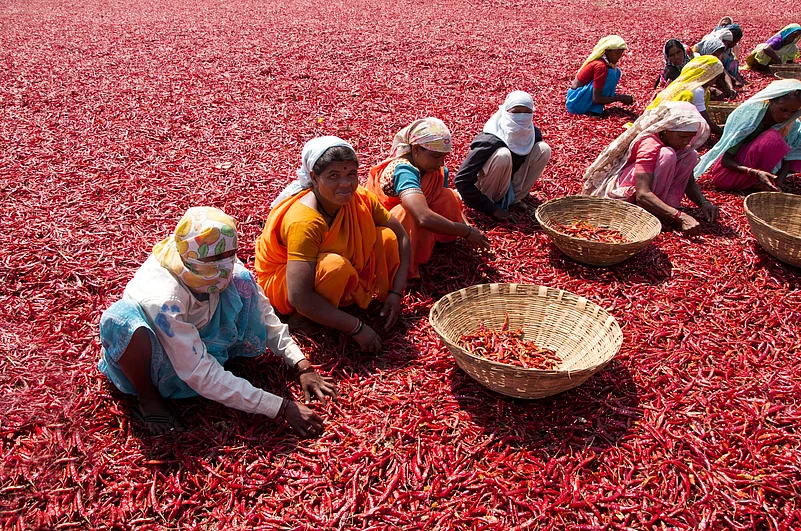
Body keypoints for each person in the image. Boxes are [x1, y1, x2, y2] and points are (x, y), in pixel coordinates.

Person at [98, 207, 337, 437]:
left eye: (230, 254)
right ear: (191, 253)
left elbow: (265, 314)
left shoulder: (214, 263)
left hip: (193, 340)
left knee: (242, 280)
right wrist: (281, 407)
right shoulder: (165, 298)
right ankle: (148, 397)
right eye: (218, 256)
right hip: (157, 353)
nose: (226, 264)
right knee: (122, 320)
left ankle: (224, 365)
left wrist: (300, 363)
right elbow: (197, 372)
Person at [255, 137, 411, 354]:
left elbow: (402, 236)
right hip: (286, 284)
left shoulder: (361, 199)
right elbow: (298, 295)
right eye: (333, 176)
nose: (346, 184)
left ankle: (339, 302)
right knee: (334, 267)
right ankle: (301, 319)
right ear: (314, 178)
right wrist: (356, 328)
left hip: (329, 270)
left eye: (351, 174)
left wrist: (396, 292)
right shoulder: (305, 220)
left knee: (386, 237)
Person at [365, 118, 490, 277]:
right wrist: (465, 231)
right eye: (435, 156)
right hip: (385, 230)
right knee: (407, 213)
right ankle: (402, 263)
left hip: (420, 218)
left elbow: (443, 198)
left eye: (444, 157)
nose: (440, 163)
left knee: (448, 196)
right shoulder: (403, 171)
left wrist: (468, 227)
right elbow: (422, 217)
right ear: (416, 149)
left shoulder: (434, 170)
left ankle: (436, 240)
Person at [583, 102, 719, 236]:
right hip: (629, 195)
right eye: (682, 136)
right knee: (667, 155)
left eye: (691, 137)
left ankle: (664, 209)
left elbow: (689, 181)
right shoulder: (649, 144)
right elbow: (642, 194)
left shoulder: (681, 146)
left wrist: (704, 203)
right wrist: (680, 216)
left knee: (691, 154)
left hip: (649, 192)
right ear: (665, 130)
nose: (686, 142)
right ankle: (647, 212)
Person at [454, 91, 551, 220]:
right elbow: (461, 180)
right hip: (485, 190)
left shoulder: (533, 135)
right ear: (506, 111)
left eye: (527, 112)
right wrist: (492, 210)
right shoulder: (489, 140)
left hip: (508, 185)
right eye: (516, 111)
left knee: (543, 149)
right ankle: (492, 202)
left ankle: (515, 199)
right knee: (502, 155)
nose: (522, 117)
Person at [695, 80, 801, 191]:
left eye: (793, 111)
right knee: (772, 138)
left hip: (763, 172)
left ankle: (761, 182)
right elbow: (725, 160)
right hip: (730, 175)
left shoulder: (791, 125)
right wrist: (755, 173)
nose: (787, 116)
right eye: (783, 110)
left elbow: (787, 159)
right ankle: (753, 182)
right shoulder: (750, 119)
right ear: (771, 101)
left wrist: (778, 185)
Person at [647, 56, 726, 137]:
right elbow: (706, 122)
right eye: (715, 77)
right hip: (661, 130)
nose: (715, 81)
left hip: (652, 120)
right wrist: (724, 134)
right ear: (709, 75)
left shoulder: (684, 83)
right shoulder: (697, 90)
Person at [566, 35, 635, 116]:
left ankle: (595, 109)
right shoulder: (600, 66)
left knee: (616, 72)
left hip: (580, 101)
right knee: (611, 73)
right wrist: (619, 98)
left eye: (621, 53)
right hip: (576, 102)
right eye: (617, 53)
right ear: (607, 51)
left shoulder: (608, 66)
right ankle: (592, 111)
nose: (619, 56)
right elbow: (596, 99)